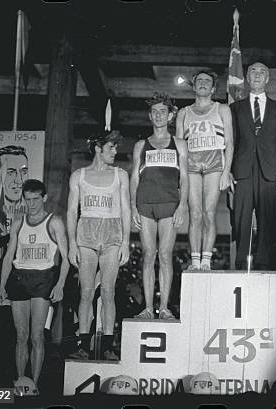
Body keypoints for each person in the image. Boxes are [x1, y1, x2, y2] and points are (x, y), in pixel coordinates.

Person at [0, 179, 69, 392]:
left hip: (43, 279)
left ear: (44, 197)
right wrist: (2, 286)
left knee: (37, 336)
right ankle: (21, 383)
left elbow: (66, 258)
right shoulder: (18, 221)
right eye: (28, 200)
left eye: (36, 199)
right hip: (20, 278)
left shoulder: (54, 222)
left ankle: (34, 385)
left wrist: (60, 285)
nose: (32, 204)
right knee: (21, 335)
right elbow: (9, 255)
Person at [67, 131, 131, 360]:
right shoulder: (79, 175)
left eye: (116, 148)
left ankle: (106, 345)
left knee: (108, 291)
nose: (115, 152)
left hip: (112, 232)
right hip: (86, 233)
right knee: (85, 292)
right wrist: (72, 244)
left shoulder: (120, 174)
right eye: (111, 147)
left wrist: (126, 242)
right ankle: (83, 345)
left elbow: (126, 209)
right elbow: (72, 211)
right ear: (98, 148)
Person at [130, 92, 188, 320]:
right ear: (150, 116)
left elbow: (184, 177)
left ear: (170, 115)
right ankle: (147, 308)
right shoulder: (140, 145)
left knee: (165, 254)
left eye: (162, 111)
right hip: (145, 203)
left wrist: (182, 205)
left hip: (169, 203)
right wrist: (134, 207)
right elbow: (134, 178)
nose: (158, 115)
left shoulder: (179, 144)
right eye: (154, 112)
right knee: (148, 254)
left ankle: (163, 307)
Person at [230, 62, 276, 269]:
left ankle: (264, 261)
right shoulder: (234, 108)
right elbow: (232, 141)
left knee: (268, 216)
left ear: (267, 78)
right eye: (253, 71)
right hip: (242, 168)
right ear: (247, 77)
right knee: (241, 215)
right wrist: (228, 171)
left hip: (270, 170)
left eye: (262, 71)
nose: (257, 74)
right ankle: (241, 259)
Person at [176, 70, 233, 270]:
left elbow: (230, 143)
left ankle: (206, 261)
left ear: (213, 88)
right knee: (195, 213)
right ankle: (195, 260)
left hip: (214, 161)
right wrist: (179, 176)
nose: (202, 83)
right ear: (193, 86)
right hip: (191, 162)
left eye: (207, 81)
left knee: (209, 213)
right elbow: (179, 146)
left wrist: (226, 172)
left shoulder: (222, 109)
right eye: (199, 81)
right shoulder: (183, 113)